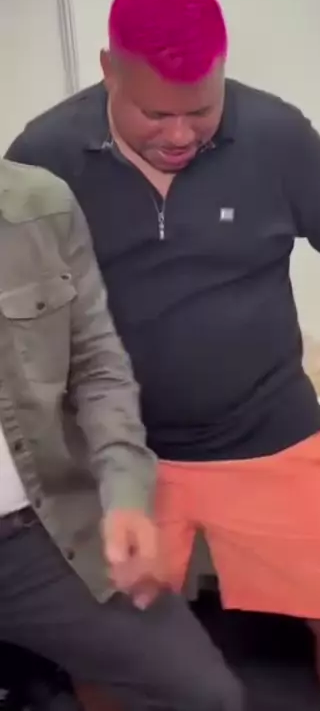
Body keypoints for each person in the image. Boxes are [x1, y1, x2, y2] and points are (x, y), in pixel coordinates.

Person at [6, 0, 320, 711]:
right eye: (155, 113)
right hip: (116, 455)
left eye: (201, 110)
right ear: (109, 70)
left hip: (270, 431)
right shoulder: (45, 156)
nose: (179, 135)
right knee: (108, 648)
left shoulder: (275, 134)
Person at [0, 158, 242, 711]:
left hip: (37, 535)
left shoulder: (41, 203)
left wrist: (126, 495)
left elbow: (98, 367)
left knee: (205, 696)